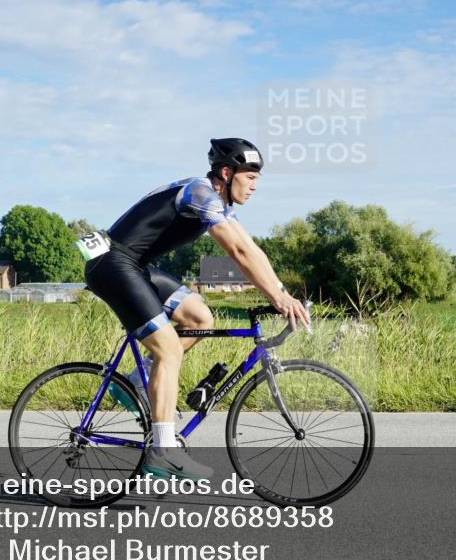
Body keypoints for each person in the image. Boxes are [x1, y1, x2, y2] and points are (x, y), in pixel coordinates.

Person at [83, 138, 311, 480]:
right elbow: (238, 253)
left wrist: (282, 292)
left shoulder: (219, 203)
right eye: (250, 178)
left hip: (134, 265)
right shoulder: (200, 193)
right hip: (112, 263)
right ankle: (161, 452)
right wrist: (278, 300)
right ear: (226, 172)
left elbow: (253, 249)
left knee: (201, 317)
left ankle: (135, 381)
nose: (254, 186)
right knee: (169, 350)